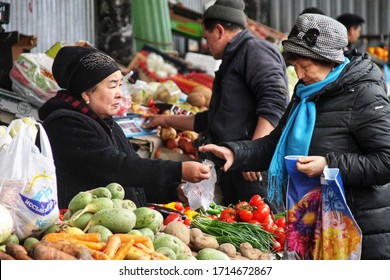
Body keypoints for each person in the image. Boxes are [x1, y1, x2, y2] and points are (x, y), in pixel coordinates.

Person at [199, 13, 390, 260]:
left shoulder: (364, 94)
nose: (299, 75)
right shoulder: (305, 92)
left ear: (329, 60)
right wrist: (235, 153)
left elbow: (386, 161)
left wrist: (329, 164)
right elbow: (276, 144)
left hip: (359, 230)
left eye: (305, 66)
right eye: (296, 66)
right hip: (313, 223)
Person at [143, 0, 289, 211]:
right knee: (241, 229)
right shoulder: (233, 57)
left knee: (265, 233)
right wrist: (164, 119)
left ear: (219, 31)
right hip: (235, 163)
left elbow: (275, 103)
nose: (206, 44)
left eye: (206, 37)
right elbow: (212, 119)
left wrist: (252, 155)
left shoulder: (255, 51)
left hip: (254, 171)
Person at [38, 46, 211, 209]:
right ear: (86, 93)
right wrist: (177, 170)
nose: (120, 93)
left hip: (118, 220)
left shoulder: (105, 121)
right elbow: (115, 168)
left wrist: (175, 191)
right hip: (85, 227)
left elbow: (131, 181)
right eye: (112, 86)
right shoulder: (65, 124)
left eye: (120, 85)